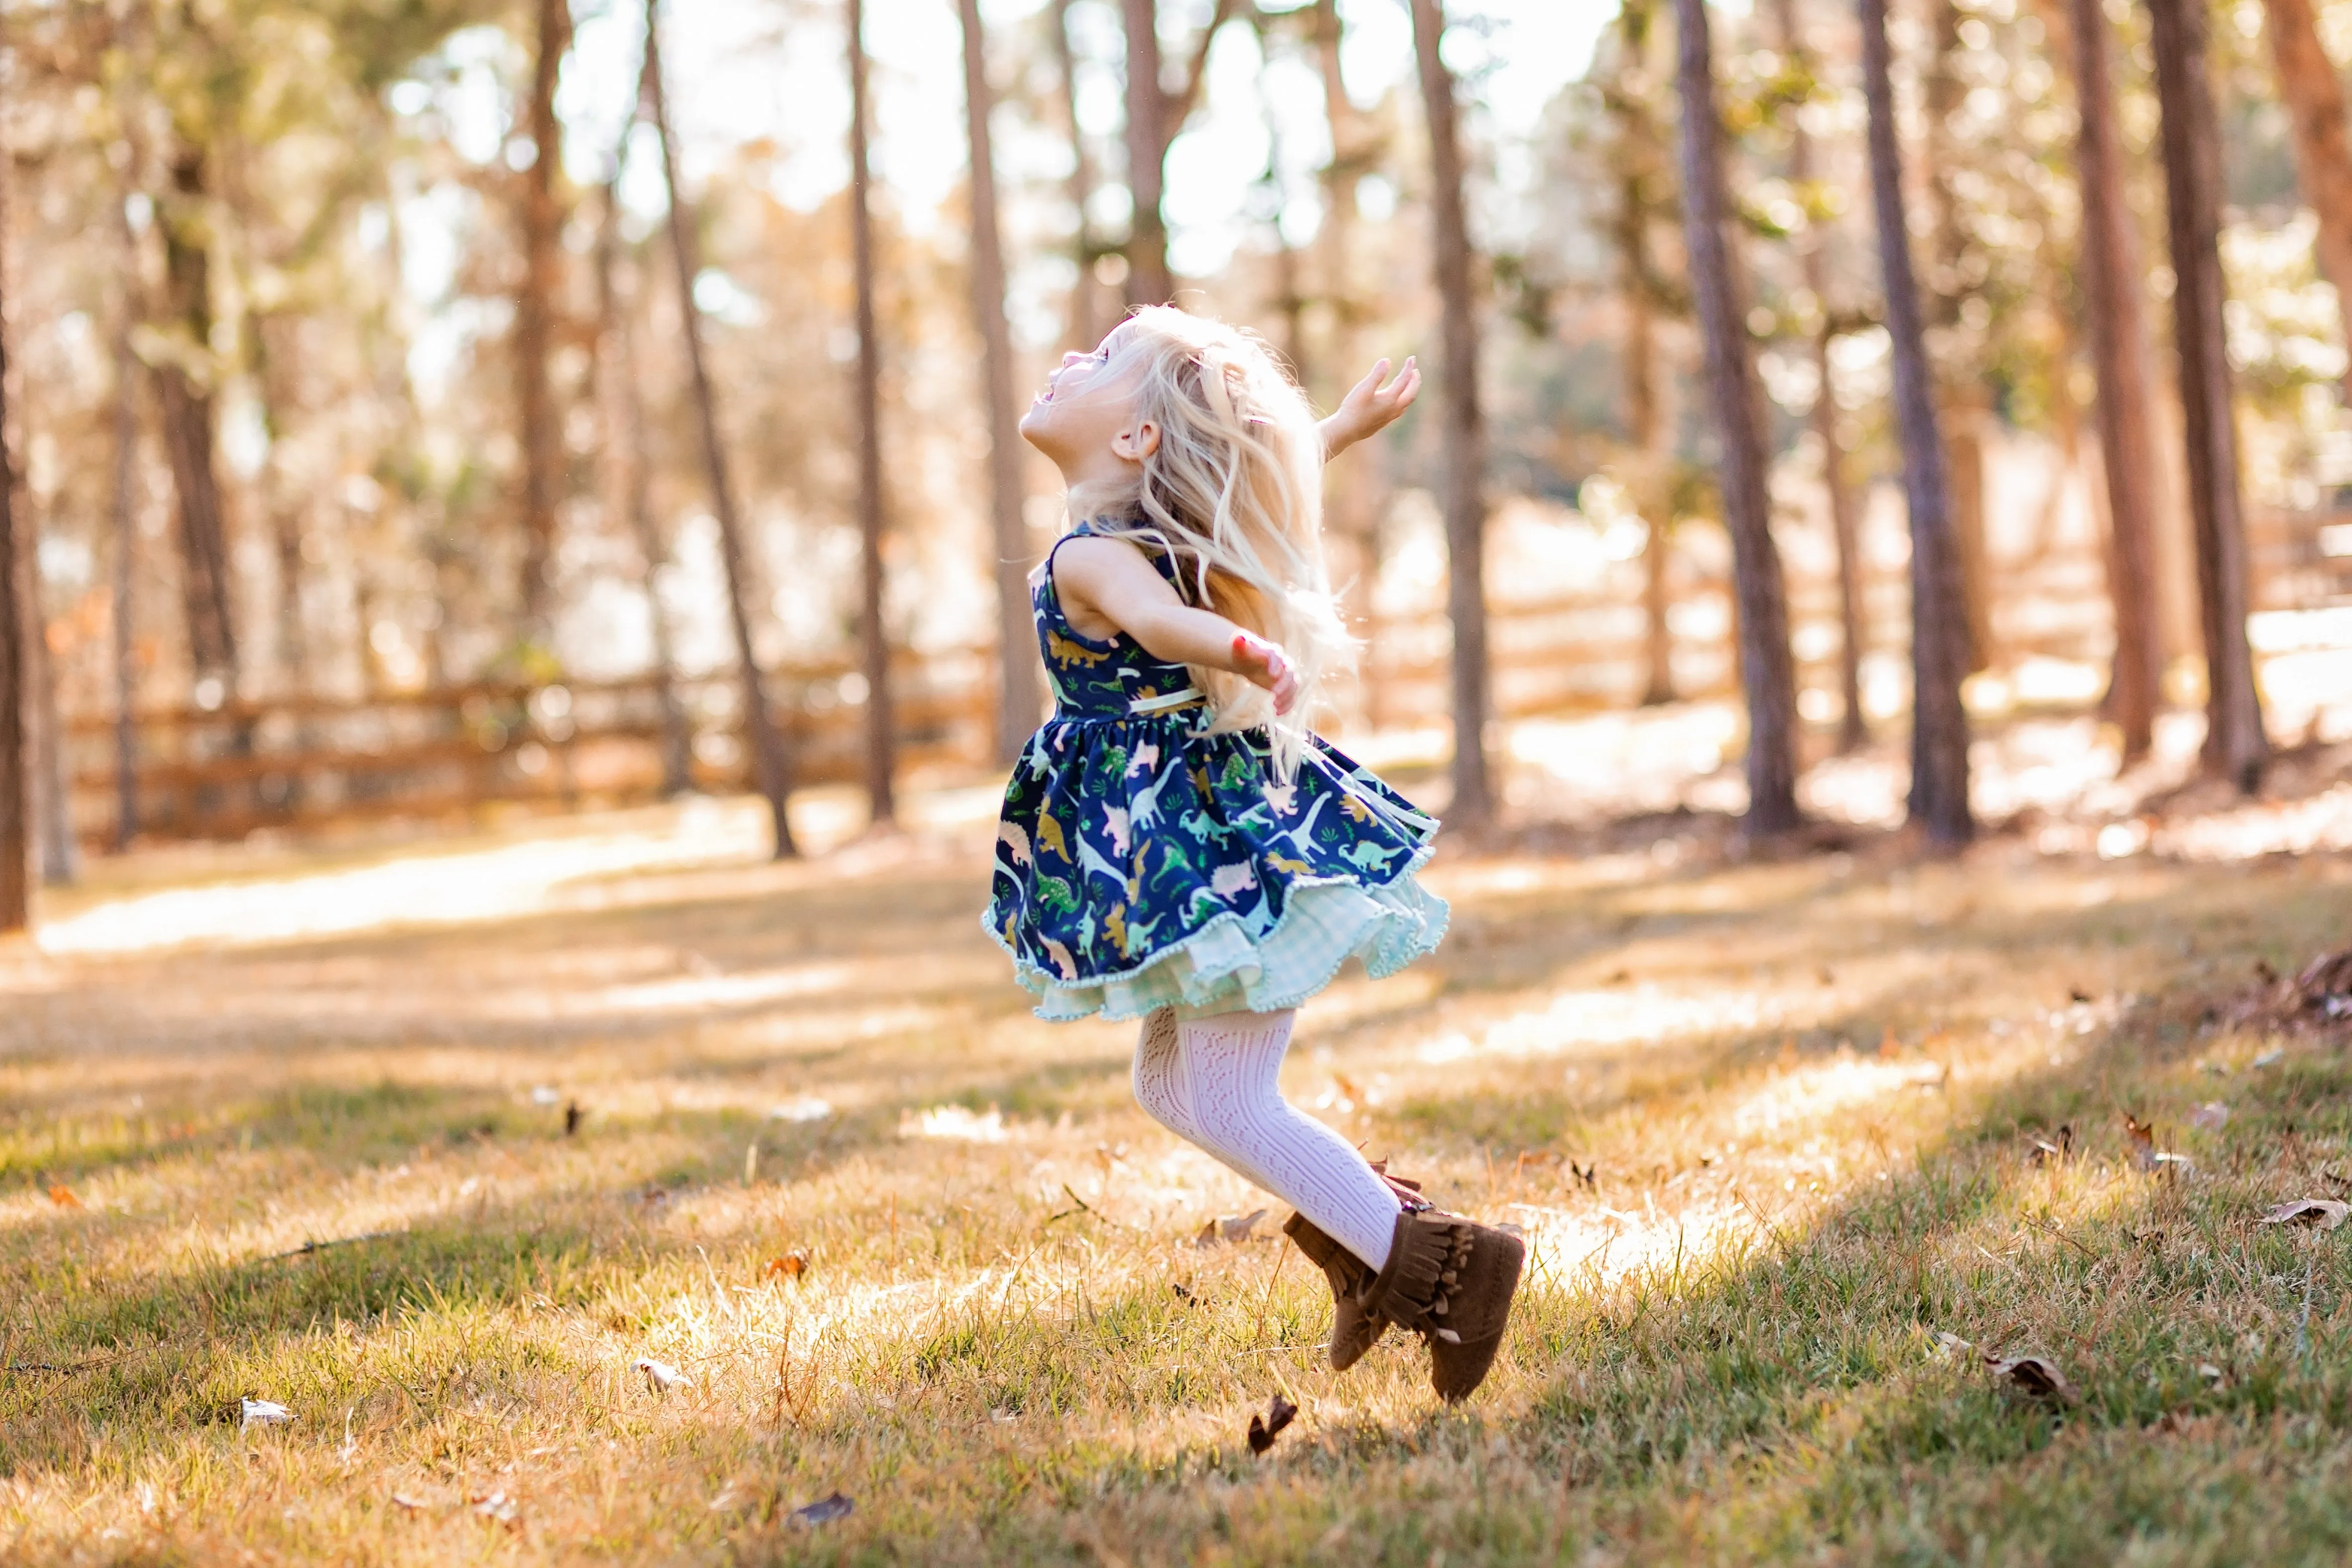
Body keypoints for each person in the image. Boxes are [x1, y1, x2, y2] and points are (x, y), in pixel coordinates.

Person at [984, 306, 1524, 1402]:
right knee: (1170, 1088)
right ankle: (1374, 1241)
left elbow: (1155, 618)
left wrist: (1234, 644)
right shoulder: (1151, 534)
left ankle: (1445, 1272)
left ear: (1134, 440)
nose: (1061, 361)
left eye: (1093, 363)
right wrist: (1335, 428)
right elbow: (1237, 485)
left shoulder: (1098, 558)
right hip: (1191, 847)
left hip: (1218, 853)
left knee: (1227, 1099)